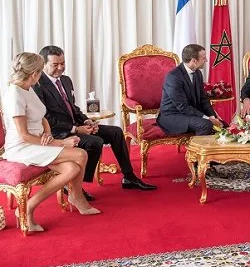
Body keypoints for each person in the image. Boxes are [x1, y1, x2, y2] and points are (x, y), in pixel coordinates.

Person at [34, 46, 156, 199]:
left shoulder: (65, 80)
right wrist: (76, 129)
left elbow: (73, 107)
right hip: (59, 132)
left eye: (63, 63)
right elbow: (46, 118)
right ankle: (74, 185)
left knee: (116, 132)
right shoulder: (37, 85)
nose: (61, 67)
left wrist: (86, 120)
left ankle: (129, 177)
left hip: (77, 126)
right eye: (55, 64)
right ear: (43, 64)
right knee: (95, 142)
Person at [2, 53, 100, 232]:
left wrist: (48, 134)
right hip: (22, 147)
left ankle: (30, 205)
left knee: (72, 168)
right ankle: (74, 198)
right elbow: (23, 135)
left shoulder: (28, 87)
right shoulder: (14, 95)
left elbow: (42, 117)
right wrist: (59, 143)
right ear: (34, 73)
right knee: (80, 153)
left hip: (38, 141)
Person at [157, 44, 223, 135]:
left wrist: (212, 115)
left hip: (189, 113)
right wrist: (208, 119)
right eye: (204, 58)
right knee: (206, 125)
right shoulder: (173, 77)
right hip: (173, 115)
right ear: (194, 61)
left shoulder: (197, 73)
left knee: (223, 125)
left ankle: (216, 149)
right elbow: (182, 106)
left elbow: (203, 98)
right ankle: (197, 149)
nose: (206, 60)